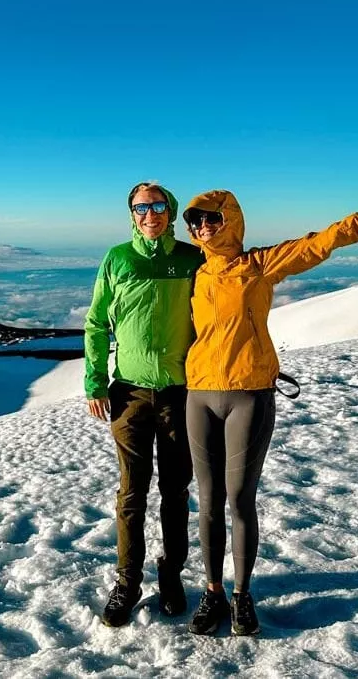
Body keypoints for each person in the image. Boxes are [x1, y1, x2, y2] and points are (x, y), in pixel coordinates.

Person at [181, 173, 358, 637]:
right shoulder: (195, 269)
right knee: (208, 501)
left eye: (211, 218)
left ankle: (241, 595)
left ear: (230, 219)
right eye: (195, 221)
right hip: (199, 395)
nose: (203, 227)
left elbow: (318, 243)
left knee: (238, 500)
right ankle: (212, 592)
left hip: (249, 395)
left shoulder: (261, 264)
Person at [84, 182, 204, 627]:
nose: (149, 214)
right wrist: (95, 382)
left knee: (175, 492)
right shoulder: (118, 258)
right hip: (129, 393)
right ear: (132, 214)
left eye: (157, 206)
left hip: (180, 392)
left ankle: (170, 576)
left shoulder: (192, 258)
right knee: (131, 494)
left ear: (170, 212)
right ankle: (128, 581)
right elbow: (96, 322)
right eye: (141, 207)